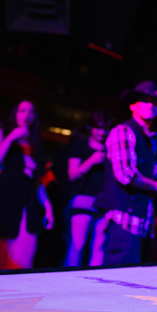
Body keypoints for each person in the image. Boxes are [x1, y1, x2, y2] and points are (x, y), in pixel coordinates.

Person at [95, 81, 157, 265]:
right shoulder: (123, 131)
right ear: (132, 105)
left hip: (146, 223)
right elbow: (125, 174)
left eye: (154, 101)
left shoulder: (154, 139)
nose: (150, 104)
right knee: (119, 274)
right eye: (145, 100)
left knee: (138, 277)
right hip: (125, 220)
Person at [0, 100, 55, 269]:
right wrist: (11, 137)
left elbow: (36, 180)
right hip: (4, 201)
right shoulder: (3, 132)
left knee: (24, 259)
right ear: (15, 114)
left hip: (27, 203)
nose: (27, 115)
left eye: (31, 112)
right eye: (22, 110)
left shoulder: (35, 143)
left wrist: (48, 207)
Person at [64, 112, 112, 267]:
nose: (101, 132)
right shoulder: (81, 145)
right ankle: (68, 277)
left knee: (99, 245)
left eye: (105, 129)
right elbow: (72, 175)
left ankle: (94, 280)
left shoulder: (110, 149)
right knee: (78, 243)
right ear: (91, 128)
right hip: (82, 199)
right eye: (98, 128)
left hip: (103, 201)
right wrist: (91, 161)